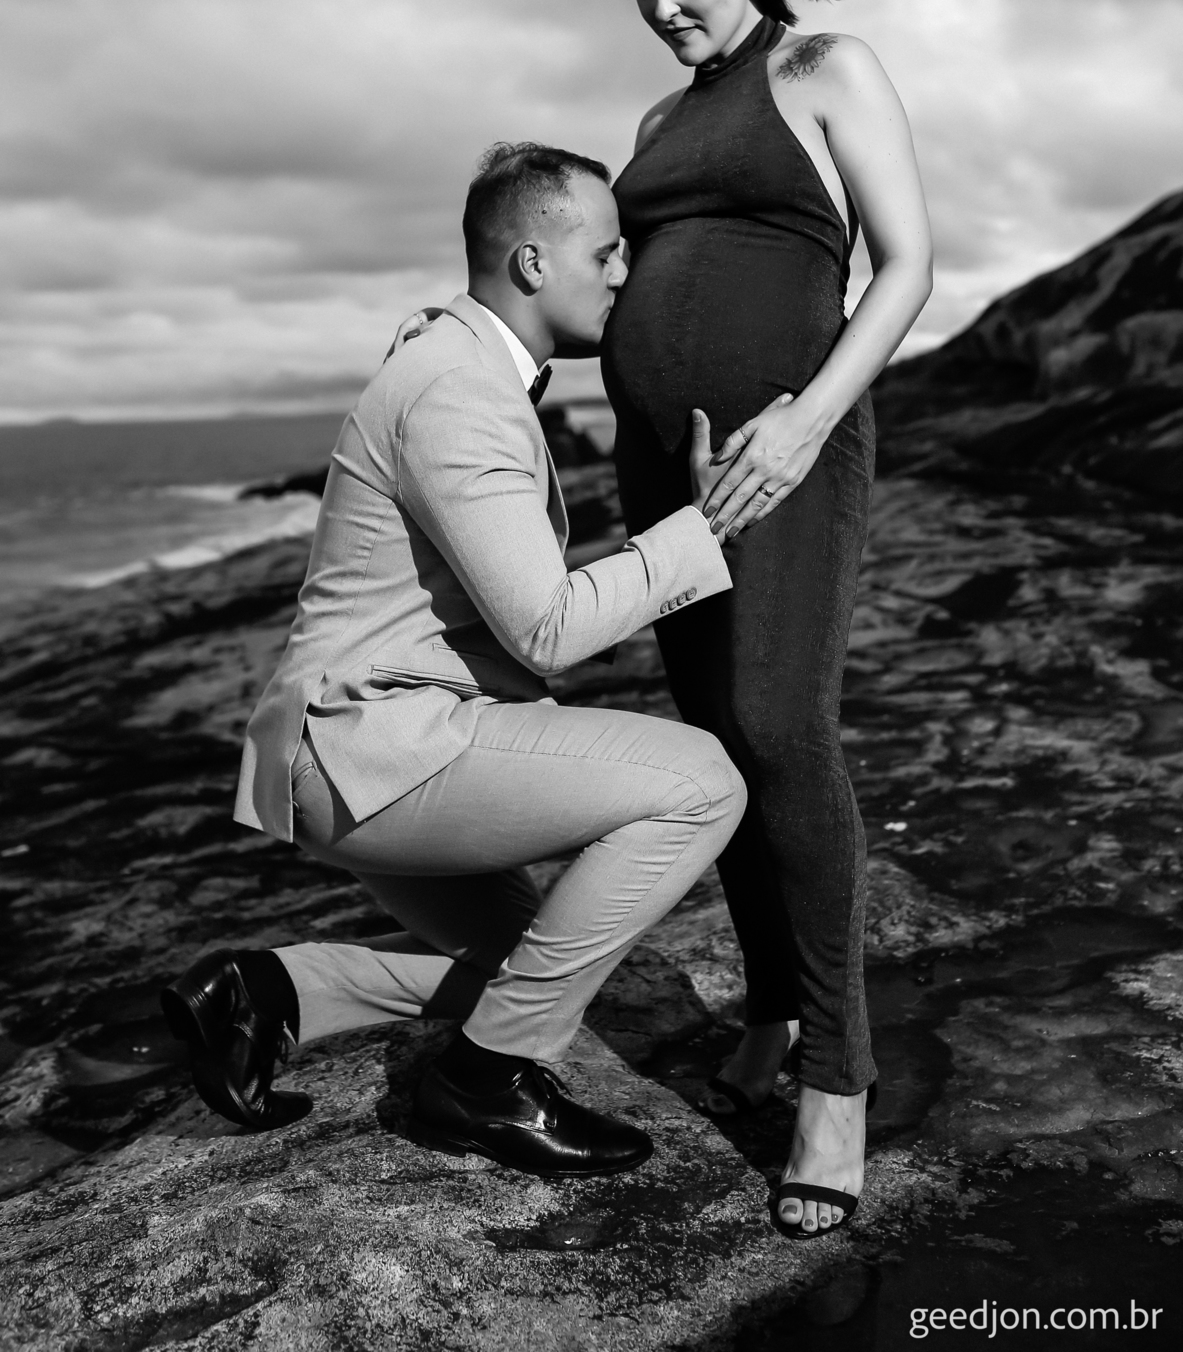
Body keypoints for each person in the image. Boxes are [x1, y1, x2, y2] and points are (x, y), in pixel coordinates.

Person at [161, 142, 746, 1179]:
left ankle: (270, 994)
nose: (625, 272)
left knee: (537, 968)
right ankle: (484, 1085)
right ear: (532, 262)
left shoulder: (462, 369)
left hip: (379, 740)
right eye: (607, 252)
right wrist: (700, 531)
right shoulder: (457, 390)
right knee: (702, 782)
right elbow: (547, 629)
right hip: (371, 747)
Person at [602, 0, 933, 1236]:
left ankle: (837, 1083)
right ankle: (771, 1013)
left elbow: (908, 265)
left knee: (783, 731)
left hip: (784, 456)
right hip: (663, 471)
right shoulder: (655, 116)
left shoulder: (824, 69)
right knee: (718, 746)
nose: (663, 5)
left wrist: (803, 420)